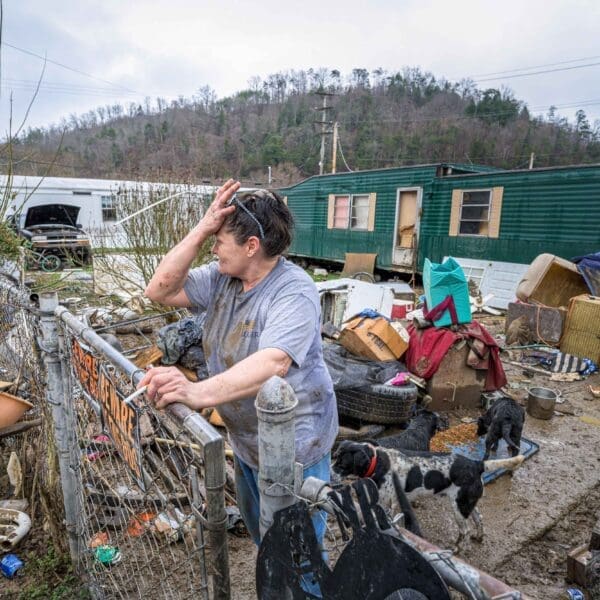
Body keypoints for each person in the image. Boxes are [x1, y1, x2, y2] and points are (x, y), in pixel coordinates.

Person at [139, 179, 338, 553]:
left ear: (251, 246)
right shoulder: (221, 280)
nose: (213, 248)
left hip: (295, 447)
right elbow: (159, 290)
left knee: (301, 555)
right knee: (266, 544)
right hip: (248, 443)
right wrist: (203, 228)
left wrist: (195, 391)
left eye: (220, 240)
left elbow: (273, 363)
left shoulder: (293, 290)